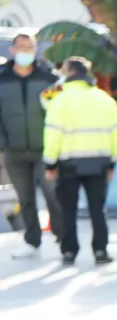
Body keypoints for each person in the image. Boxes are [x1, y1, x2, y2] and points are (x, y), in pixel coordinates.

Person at [42, 57, 117, 266]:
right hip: (99, 162)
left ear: (69, 73)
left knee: (68, 209)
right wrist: (112, 163)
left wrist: (50, 164)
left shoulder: (60, 100)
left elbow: (53, 135)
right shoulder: (104, 99)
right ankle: (100, 251)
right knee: (98, 209)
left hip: (68, 163)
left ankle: (69, 251)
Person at [0, 32, 63, 258]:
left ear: (35, 51)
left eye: (30, 47)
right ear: (12, 50)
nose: (25, 51)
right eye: (21, 47)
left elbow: (60, 112)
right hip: (14, 150)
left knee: (52, 194)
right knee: (25, 198)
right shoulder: (2, 78)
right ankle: (31, 240)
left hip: (44, 149)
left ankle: (61, 235)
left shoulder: (49, 78)